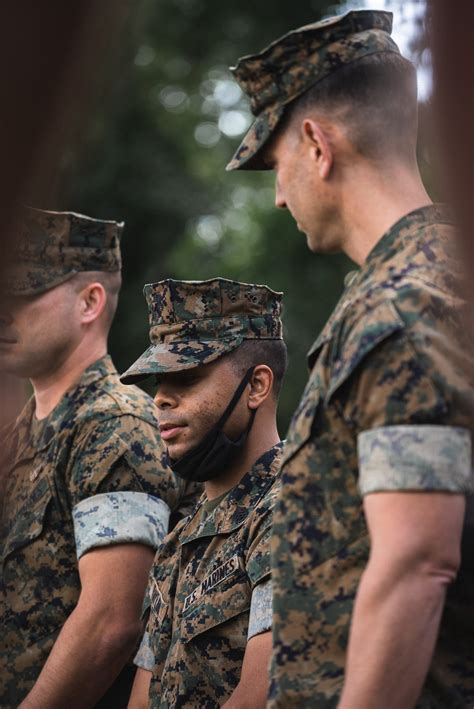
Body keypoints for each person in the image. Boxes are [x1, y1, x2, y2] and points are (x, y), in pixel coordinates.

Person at [227, 9, 474, 708]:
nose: (278, 194)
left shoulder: (403, 303)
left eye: (275, 167)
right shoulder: (442, 272)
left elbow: (416, 564)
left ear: (315, 145)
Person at [0, 208, 198, 708]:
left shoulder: (115, 426)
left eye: (20, 293)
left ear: (90, 302)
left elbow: (111, 622)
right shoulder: (21, 434)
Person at [123, 277, 287, 708]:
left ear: (256, 387)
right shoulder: (180, 536)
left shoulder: (293, 505)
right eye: (158, 383)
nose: (160, 399)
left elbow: (265, 693)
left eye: (187, 378)